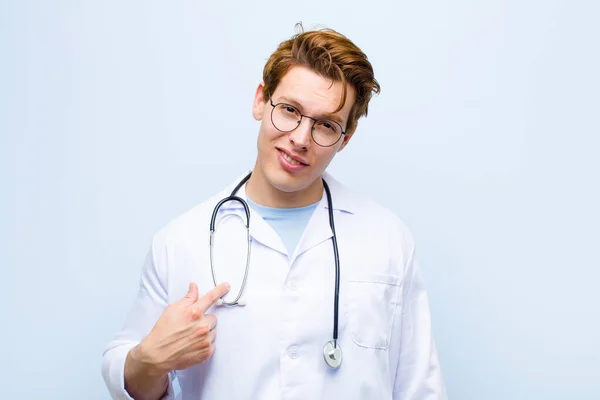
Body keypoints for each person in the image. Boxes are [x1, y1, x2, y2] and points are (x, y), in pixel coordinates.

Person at [102, 24, 447, 399]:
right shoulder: (182, 241)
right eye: (289, 111)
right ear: (260, 100)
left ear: (345, 139)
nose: (300, 139)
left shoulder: (387, 239)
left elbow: (420, 387)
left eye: (326, 125)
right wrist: (150, 360)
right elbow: (133, 375)